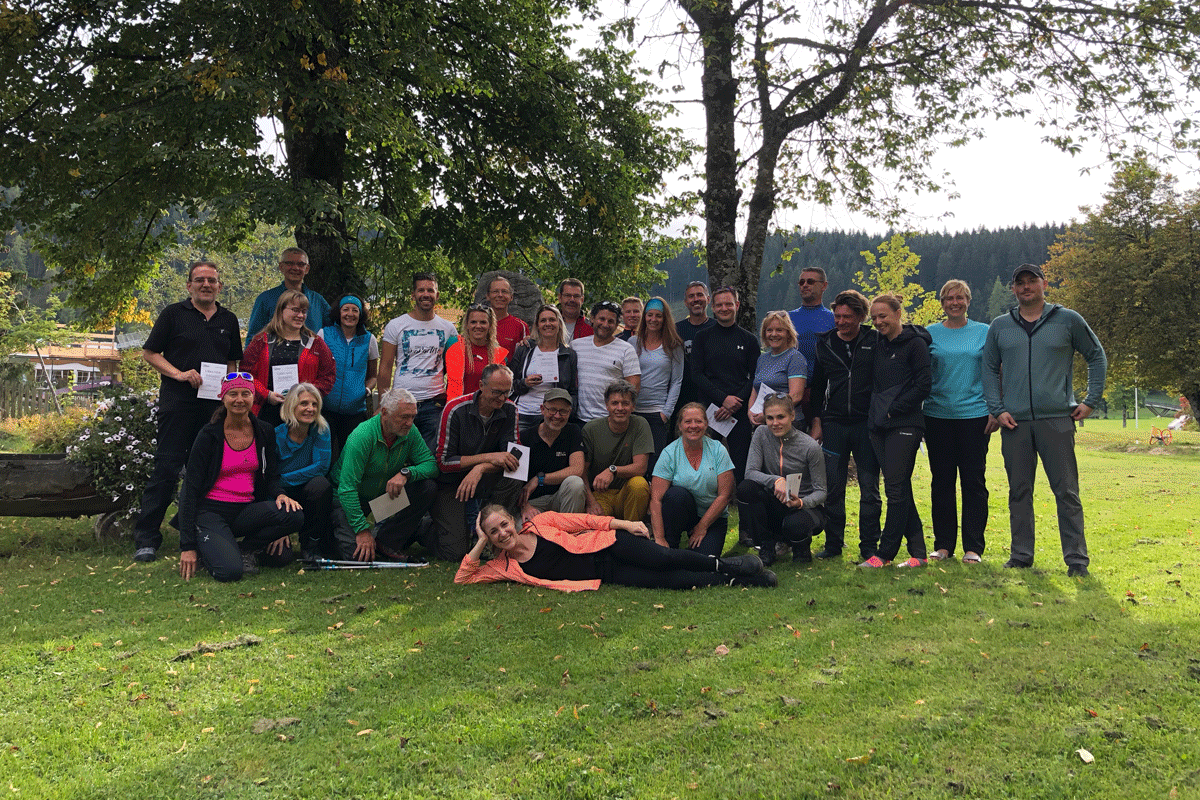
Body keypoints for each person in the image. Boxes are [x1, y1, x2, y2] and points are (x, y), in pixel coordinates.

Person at [983, 263, 1106, 577]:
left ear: (1044, 284)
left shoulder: (1067, 320)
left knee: (1066, 492)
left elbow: (1096, 355)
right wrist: (997, 408)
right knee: (1019, 491)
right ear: (1013, 289)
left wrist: (1091, 400)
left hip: (1057, 420)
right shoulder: (1000, 326)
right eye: (1020, 283)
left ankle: (1077, 560)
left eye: (1032, 281)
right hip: (1015, 424)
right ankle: (1021, 556)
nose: (1026, 287)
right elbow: (988, 368)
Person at [132, 260, 243, 563]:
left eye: (212, 280)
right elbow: (150, 353)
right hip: (177, 403)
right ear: (189, 285)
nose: (206, 284)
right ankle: (146, 538)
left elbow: (233, 363)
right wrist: (179, 374)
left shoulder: (228, 319)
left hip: (213, 408)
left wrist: (229, 394)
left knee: (207, 472)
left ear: (219, 286)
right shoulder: (173, 314)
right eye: (200, 280)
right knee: (166, 468)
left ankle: (195, 532)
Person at [455, 505, 776, 591]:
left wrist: (624, 525)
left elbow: (586, 521)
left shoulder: (544, 522)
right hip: (605, 574)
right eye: (493, 532)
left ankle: (727, 566)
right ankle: (742, 580)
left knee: (663, 558)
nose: (501, 533)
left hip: (609, 545)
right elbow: (464, 577)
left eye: (503, 525)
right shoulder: (504, 566)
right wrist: (481, 539)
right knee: (668, 581)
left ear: (512, 520)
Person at [177, 374, 304, 582]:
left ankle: (245, 550)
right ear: (223, 398)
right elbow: (190, 489)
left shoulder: (264, 431)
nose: (239, 400)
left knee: (294, 514)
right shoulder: (208, 435)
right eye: (233, 394)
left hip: (245, 509)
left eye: (245, 394)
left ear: (253, 397)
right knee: (230, 572)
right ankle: (209, 547)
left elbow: (271, 475)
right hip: (212, 510)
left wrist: (280, 495)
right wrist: (187, 546)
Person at [925, 280, 999, 564]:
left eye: (960, 298)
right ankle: (943, 545)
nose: (954, 303)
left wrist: (996, 407)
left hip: (975, 416)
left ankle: (973, 548)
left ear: (968, 301)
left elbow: (996, 371)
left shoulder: (985, 332)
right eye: (948, 298)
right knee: (941, 482)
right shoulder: (929, 334)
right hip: (937, 416)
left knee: (973, 482)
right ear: (942, 303)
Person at [859, 295, 932, 569]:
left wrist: (894, 409)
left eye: (883, 316)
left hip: (905, 424)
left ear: (898, 313)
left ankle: (885, 553)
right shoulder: (876, 344)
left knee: (895, 490)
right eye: (874, 318)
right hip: (878, 425)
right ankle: (919, 554)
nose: (878, 322)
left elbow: (923, 384)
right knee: (901, 488)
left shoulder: (915, 344)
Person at [809, 289, 882, 560]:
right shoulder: (825, 343)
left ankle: (869, 547)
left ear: (862, 317)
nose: (841, 322)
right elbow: (816, 388)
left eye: (848, 317)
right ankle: (833, 545)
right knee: (833, 488)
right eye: (837, 316)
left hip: (866, 423)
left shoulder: (875, 340)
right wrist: (817, 422)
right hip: (835, 423)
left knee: (869, 489)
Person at [331, 388, 438, 562]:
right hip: (345, 500)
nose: (410, 423)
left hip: (378, 502)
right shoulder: (362, 436)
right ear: (385, 413)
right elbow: (346, 489)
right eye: (404, 417)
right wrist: (362, 530)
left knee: (427, 487)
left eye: (413, 417)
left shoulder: (410, 432)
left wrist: (406, 473)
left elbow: (431, 466)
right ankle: (347, 534)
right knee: (357, 557)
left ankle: (386, 541)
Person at [433, 364, 524, 561]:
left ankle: (493, 532)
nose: (501, 398)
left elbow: (514, 457)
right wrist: (486, 458)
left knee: (516, 474)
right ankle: (428, 526)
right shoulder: (455, 409)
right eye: (496, 392)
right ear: (481, 386)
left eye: (506, 392)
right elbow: (443, 461)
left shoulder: (510, 409)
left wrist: (481, 468)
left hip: (486, 478)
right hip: (453, 482)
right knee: (455, 553)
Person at [737, 393, 827, 565]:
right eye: (770, 418)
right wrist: (776, 480)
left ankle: (800, 547)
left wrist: (801, 502)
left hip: (806, 507)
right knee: (746, 488)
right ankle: (766, 545)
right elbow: (750, 472)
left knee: (795, 523)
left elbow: (821, 492)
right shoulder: (761, 434)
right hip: (775, 500)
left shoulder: (810, 447)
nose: (775, 423)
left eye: (781, 417)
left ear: (792, 416)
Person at [378, 272, 458, 450]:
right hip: (402, 402)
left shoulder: (448, 329)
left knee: (430, 455)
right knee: (398, 452)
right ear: (413, 295)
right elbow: (385, 367)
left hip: (434, 403)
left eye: (430, 290)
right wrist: (383, 402)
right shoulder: (396, 325)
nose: (426, 294)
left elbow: (453, 367)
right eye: (421, 290)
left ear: (437, 295)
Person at [650, 403, 736, 556]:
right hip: (683, 511)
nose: (693, 426)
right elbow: (656, 500)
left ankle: (695, 547)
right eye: (688, 422)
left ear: (706, 424)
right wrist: (660, 538)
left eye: (698, 421)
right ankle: (671, 543)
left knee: (703, 562)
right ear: (680, 426)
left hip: (712, 517)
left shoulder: (718, 450)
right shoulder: (669, 453)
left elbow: (725, 495)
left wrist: (702, 527)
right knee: (675, 495)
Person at [691, 286, 757, 484]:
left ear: (737, 305)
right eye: (719, 305)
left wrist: (735, 402)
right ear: (713, 307)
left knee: (742, 464)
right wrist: (723, 400)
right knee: (705, 464)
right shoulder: (702, 338)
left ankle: (743, 507)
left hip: (740, 410)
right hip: (711, 410)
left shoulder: (749, 339)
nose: (724, 308)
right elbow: (696, 374)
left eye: (729, 304)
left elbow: (756, 377)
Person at [241, 289, 336, 428]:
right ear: (281, 311)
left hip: (301, 413)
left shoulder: (316, 343)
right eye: (295, 310)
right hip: (266, 411)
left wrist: (305, 396)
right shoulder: (261, 340)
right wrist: (266, 394)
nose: (300, 315)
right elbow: (245, 373)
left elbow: (329, 375)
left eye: (304, 311)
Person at [275, 383, 334, 559]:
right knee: (278, 558)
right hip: (280, 496)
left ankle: (310, 543)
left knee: (320, 485)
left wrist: (282, 479)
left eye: (314, 404)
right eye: (304, 404)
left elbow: (321, 467)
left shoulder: (322, 430)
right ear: (292, 406)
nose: (310, 409)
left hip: (306, 490)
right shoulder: (275, 435)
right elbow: (267, 479)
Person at [582, 380, 654, 521]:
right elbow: (582, 472)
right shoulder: (591, 429)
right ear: (607, 406)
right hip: (600, 494)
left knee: (639, 484)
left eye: (625, 403)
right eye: (615, 403)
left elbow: (640, 468)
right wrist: (590, 502)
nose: (620, 408)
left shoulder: (640, 424)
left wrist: (612, 470)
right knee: (598, 525)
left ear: (633, 406)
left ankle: (634, 536)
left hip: (626, 492)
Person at [317, 295, 379, 454]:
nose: (350, 314)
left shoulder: (369, 339)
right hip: (325, 409)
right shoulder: (324, 334)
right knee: (325, 454)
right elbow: (314, 368)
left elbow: (373, 376)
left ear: (360, 314)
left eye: (355, 310)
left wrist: (365, 391)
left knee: (351, 455)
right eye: (345, 309)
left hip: (355, 411)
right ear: (339, 312)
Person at [628, 297, 685, 465]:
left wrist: (666, 413)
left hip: (656, 412)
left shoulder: (673, 345)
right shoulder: (633, 342)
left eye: (658, 316)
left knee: (655, 463)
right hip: (632, 410)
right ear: (644, 317)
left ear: (665, 318)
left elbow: (677, 381)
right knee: (632, 460)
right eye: (650, 315)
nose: (653, 319)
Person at [518, 388, 587, 520]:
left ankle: (568, 532)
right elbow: (514, 481)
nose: (557, 416)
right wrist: (524, 506)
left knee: (575, 483)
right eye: (552, 410)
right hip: (532, 503)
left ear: (569, 412)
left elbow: (577, 469)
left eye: (563, 411)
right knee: (520, 528)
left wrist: (539, 479)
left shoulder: (573, 431)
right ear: (542, 409)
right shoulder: (525, 437)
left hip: (560, 498)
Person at [508, 304, 578, 434]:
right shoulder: (525, 349)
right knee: (520, 452)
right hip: (523, 413)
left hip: (552, 416)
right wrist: (525, 383)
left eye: (552, 320)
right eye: (543, 320)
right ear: (537, 325)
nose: (548, 324)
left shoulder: (569, 354)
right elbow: (509, 384)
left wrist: (567, 413)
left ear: (559, 323)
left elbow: (572, 390)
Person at [572, 300, 641, 423]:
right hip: (580, 419)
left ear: (617, 324)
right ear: (592, 319)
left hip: (610, 421)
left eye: (611, 321)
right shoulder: (576, 346)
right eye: (601, 319)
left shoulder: (626, 350)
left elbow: (633, 387)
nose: (605, 324)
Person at [246, 247, 331, 340]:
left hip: (312, 353)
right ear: (281, 267)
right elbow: (253, 337)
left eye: (301, 264)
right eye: (289, 263)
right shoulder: (266, 299)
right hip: (275, 353)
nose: (295, 268)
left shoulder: (318, 300)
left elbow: (334, 331)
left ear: (307, 269)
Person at [787, 267, 836, 423]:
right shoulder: (786, 318)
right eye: (801, 282)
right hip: (790, 390)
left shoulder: (834, 319)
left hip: (822, 392)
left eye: (810, 281)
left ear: (824, 286)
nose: (804, 285)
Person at [747, 310, 807, 428]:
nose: (773, 334)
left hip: (788, 424)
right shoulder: (762, 359)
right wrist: (750, 411)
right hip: (764, 423)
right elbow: (755, 388)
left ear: (788, 333)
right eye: (769, 330)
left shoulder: (795, 358)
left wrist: (768, 414)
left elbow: (795, 396)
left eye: (779, 330)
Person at [673, 280, 717, 429]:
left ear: (708, 299)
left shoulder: (718, 328)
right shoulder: (676, 330)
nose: (696, 299)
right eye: (691, 296)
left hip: (713, 397)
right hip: (682, 396)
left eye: (700, 295)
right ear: (685, 302)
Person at [444, 303, 509, 400]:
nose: (478, 326)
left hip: (488, 409)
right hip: (458, 408)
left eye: (483, 322)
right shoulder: (453, 345)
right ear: (467, 324)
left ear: (490, 325)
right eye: (473, 322)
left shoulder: (499, 354)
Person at [486, 275, 530, 353]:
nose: (500, 295)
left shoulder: (520, 326)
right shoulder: (478, 324)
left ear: (511, 297)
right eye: (495, 291)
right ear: (488, 296)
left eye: (504, 291)